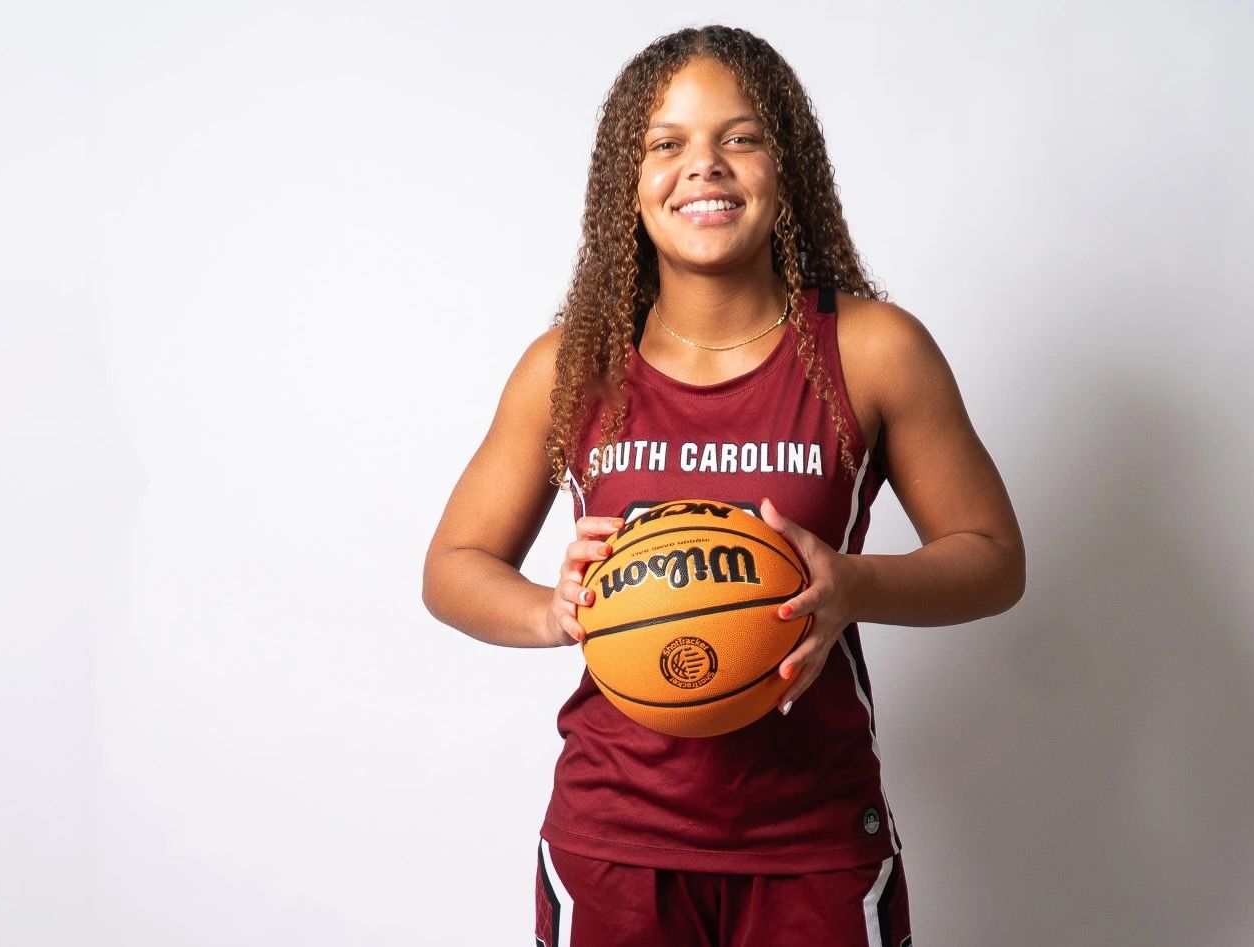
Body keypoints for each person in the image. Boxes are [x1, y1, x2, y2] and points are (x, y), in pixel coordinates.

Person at [422, 24, 1024, 947]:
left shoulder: (870, 351)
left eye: (738, 137)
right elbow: (452, 566)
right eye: (666, 145)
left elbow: (993, 560)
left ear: (787, 166)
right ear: (627, 182)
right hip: (616, 836)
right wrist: (554, 610)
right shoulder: (572, 368)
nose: (703, 167)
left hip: (813, 836)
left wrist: (853, 583)